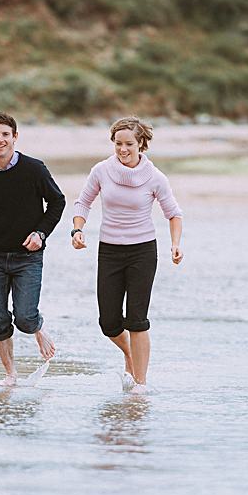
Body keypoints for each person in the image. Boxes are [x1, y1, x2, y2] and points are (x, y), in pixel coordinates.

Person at [70, 116, 183, 393]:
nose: (123, 149)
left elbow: (174, 213)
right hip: (109, 250)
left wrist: (175, 244)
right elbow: (83, 202)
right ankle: (131, 355)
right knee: (108, 322)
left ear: (141, 143)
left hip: (142, 251)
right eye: (118, 144)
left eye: (129, 144)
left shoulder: (155, 178)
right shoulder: (101, 171)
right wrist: (77, 229)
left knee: (137, 319)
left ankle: (140, 385)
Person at [0, 112, 65, 386]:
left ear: (15, 137)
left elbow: (57, 202)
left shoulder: (34, 169)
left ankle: (38, 328)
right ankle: (10, 374)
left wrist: (41, 233)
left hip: (28, 257)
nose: (0, 140)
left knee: (25, 318)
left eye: (6, 134)